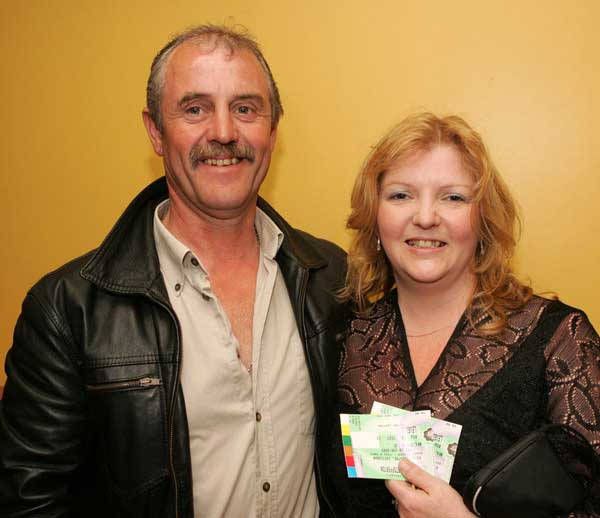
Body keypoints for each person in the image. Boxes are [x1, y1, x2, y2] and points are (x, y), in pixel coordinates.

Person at [0, 25, 347, 517]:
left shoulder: (332, 277)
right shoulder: (67, 309)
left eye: (245, 108)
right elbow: (29, 502)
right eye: (195, 109)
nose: (224, 132)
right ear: (155, 131)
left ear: (273, 129)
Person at [326, 113, 600, 517]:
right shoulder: (342, 334)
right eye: (401, 195)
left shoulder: (560, 341)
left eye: (452, 197)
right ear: (374, 217)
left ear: (483, 218)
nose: (424, 216)